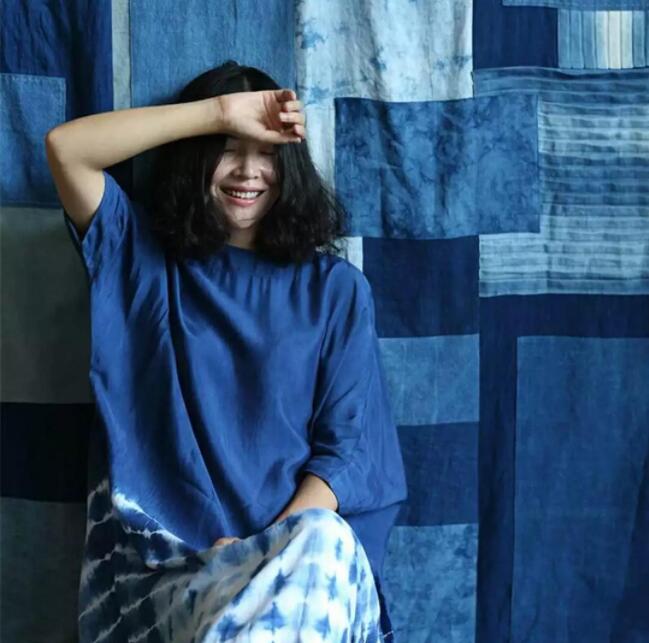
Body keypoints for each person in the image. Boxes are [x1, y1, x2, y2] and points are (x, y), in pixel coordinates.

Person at [45, 60, 408, 642]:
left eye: (267, 154)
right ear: (196, 157)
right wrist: (218, 113)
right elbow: (67, 150)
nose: (248, 171)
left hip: (302, 560)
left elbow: (347, 455)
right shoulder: (140, 259)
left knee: (324, 537)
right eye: (228, 151)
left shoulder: (336, 291)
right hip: (175, 572)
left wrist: (261, 553)